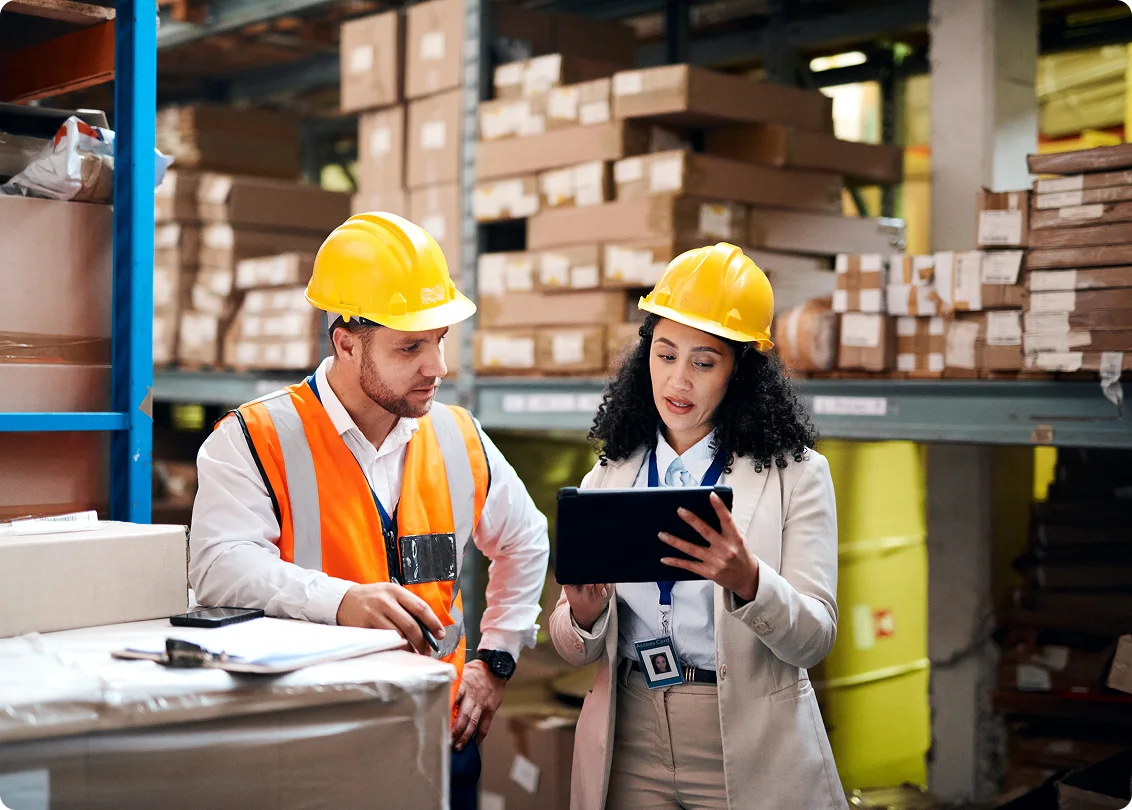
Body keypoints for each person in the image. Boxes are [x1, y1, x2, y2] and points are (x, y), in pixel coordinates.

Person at [189, 212, 550, 809]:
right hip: (313, 741)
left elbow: (526, 539)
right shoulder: (254, 437)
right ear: (346, 342)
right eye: (410, 346)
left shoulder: (460, 438)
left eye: (438, 340)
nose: (436, 367)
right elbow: (219, 566)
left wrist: (497, 661)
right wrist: (341, 600)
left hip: (439, 733)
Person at [549, 243, 847, 810]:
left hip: (744, 736)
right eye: (665, 355)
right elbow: (570, 645)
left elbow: (815, 639)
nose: (678, 381)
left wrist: (749, 581)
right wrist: (583, 616)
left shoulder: (797, 476)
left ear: (741, 371)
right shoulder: (611, 476)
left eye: (703, 362)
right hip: (631, 735)